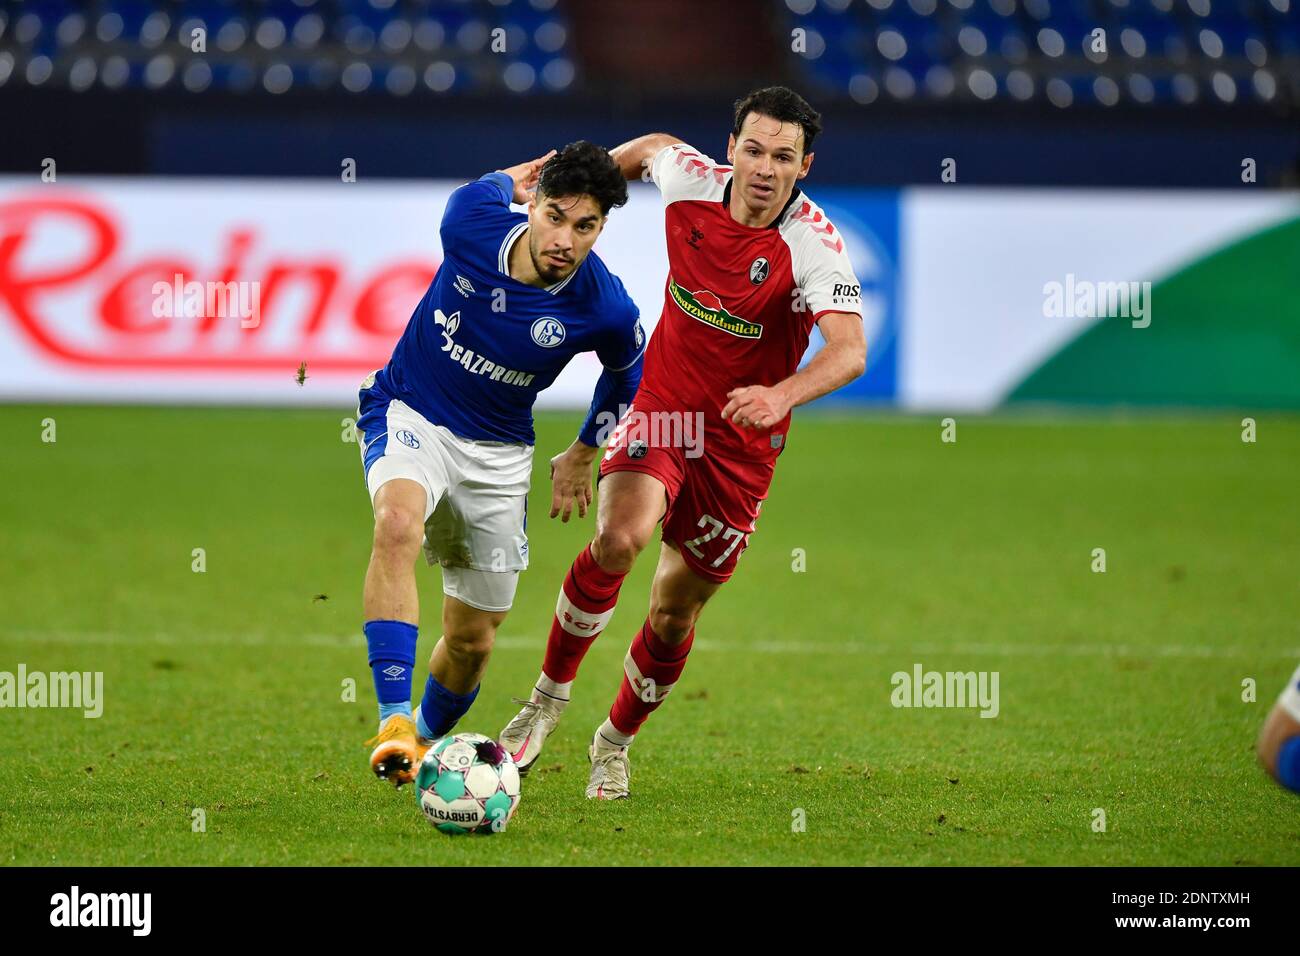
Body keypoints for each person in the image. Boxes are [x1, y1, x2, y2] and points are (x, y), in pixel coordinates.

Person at [499, 87, 867, 799]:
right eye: (754, 149)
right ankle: (546, 700)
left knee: (673, 613)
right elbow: (647, 149)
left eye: (782, 156)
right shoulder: (691, 179)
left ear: (805, 165)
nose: (764, 167)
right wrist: (577, 187)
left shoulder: (811, 243)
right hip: (663, 411)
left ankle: (614, 741)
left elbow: (849, 351)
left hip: (740, 449)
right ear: (731, 149)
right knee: (619, 540)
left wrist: (781, 394)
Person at [357, 142, 645, 786]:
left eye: (586, 225)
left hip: (499, 453)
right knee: (395, 523)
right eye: (555, 216)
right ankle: (394, 721)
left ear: (602, 227)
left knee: (472, 641)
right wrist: (505, 177)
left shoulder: (605, 307)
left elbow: (627, 376)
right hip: (411, 412)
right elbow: (488, 187)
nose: (565, 239)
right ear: (534, 204)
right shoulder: (469, 223)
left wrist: (583, 451)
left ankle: (421, 747)